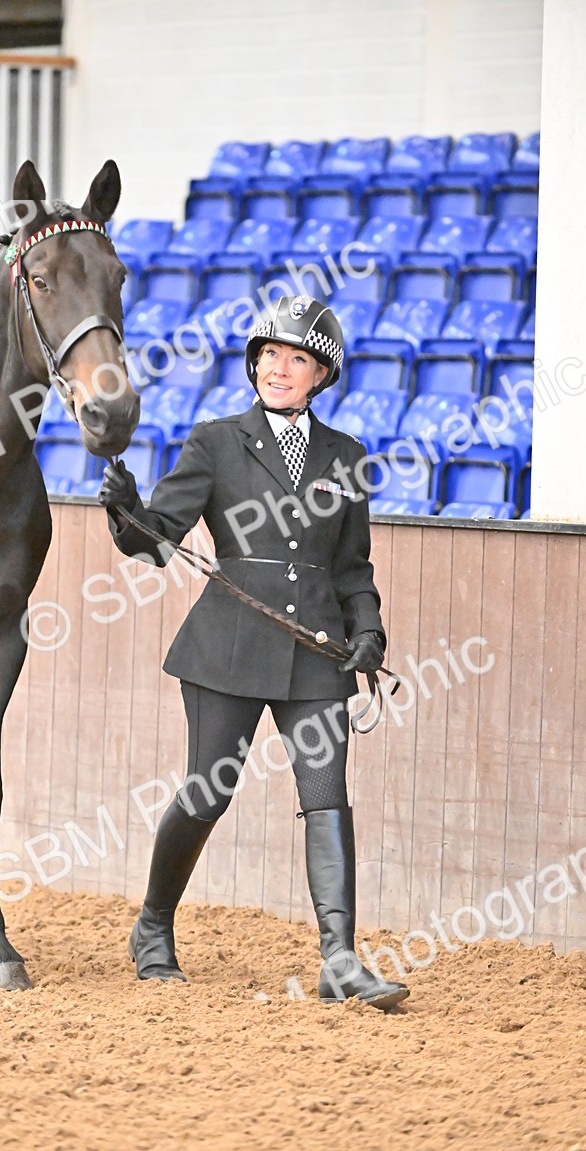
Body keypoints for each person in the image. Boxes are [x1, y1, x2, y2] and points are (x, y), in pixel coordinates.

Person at [99, 295, 408, 1009]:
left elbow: (353, 567)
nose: (279, 368)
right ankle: (152, 929)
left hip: (317, 652)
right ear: (254, 363)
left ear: (321, 374)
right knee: (209, 790)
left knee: (327, 796)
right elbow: (158, 538)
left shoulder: (346, 457)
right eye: (270, 354)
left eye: (297, 357)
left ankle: (339, 960)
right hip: (228, 647)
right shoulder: (214, 441)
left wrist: (369, 630)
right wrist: (127, 511)